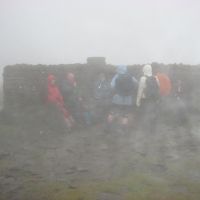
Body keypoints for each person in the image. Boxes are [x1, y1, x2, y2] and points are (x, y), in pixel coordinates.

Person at [107, 65, 138, 129]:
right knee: (125, 114)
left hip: (118, 98)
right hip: (128, 99)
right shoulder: (130, 76)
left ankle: (108, 125)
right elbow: (136, 82)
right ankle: (124, 128)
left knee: (113, 111)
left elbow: (112, 85)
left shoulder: (117, 76)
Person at [136, 64, 160, 133]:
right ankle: (153, 130)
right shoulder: (155, 77)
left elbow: (140, 90)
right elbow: (158, 87)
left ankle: (145, 130)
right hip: (154, 99)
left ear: (144, 70)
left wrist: (138, 101)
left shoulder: (142, 78)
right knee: (153, 114)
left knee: (145, 114)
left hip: (145, 99)